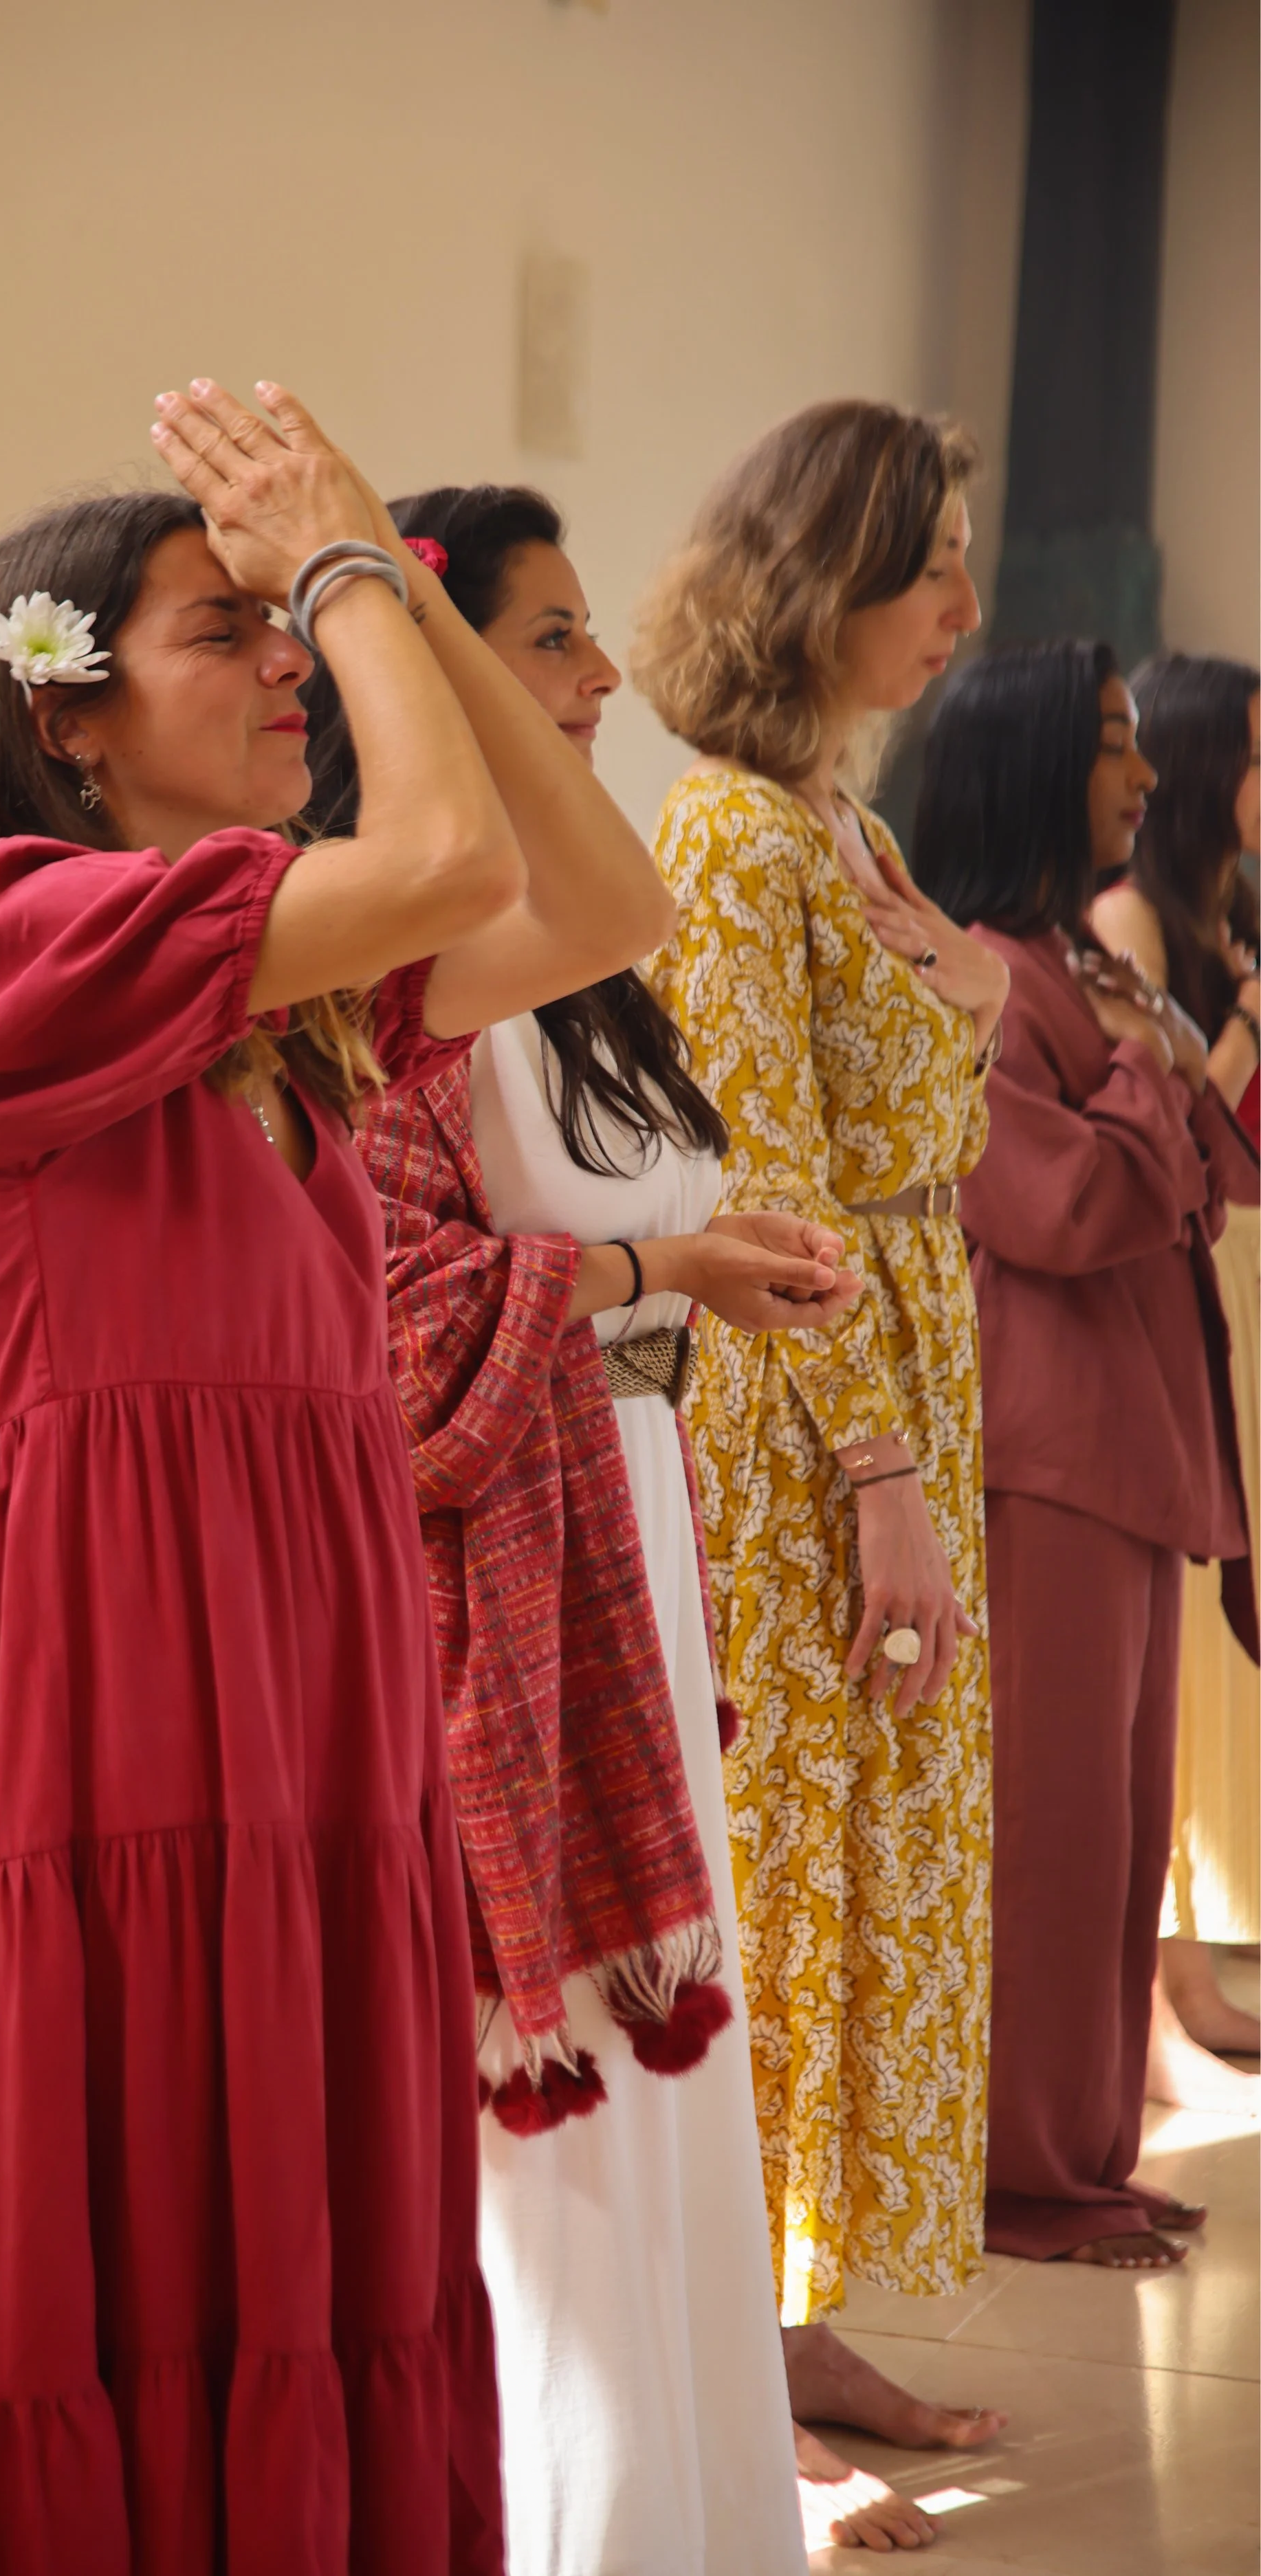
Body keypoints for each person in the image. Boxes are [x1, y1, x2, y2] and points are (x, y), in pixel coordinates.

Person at [0, 379, 676, 2575]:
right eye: (210, 632)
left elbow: (593, 898)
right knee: (146, 2239)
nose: (283, 670)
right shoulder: (1, 943)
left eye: (275, 629)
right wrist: (345, 564)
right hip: (131, 1723)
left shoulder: (286, 1016)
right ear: (63, 717)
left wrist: (370, 584)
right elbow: (440, 859)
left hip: (322, 1717)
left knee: (332, 2240)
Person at [305, 482, 861, 2571]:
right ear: (435, 678)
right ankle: (579, 2518)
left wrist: (689, 1267)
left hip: (622, 1523)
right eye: (546, 640)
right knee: (547, 2130)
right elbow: (406, 1309)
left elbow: (581, 1206)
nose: (603, 675)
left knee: (671, 2086)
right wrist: (660, 1281)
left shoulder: (573, 953)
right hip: (504, 1562)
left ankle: (713, 2497)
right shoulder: (380, 954)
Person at [633, 400, 1009, 2543]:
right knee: (779, 1873)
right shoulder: (725, 842)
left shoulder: (839, 830)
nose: (960, 607)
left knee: (870, 1873)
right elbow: (758, 1175)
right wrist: (875, 1470)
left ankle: (797, 2312)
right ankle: (723, 2359)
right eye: (924, 566)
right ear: (815, 581)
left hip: (899, 1388)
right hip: (800, 1436)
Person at [912, 641, 1257, 2267]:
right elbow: (1059, 1201)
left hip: (1118, 1438)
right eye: (1112, 745)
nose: (1141, 776)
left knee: (1114, 1827)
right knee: (1047, 1832)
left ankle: (1080, 2147)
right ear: (1031, 766)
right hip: (1040, 1440)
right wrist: (1146, 1061)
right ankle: (1022, 2171)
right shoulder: (974, 966)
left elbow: (1197, 1171)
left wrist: (1152, 1072)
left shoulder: (1057, 959)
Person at [1088, 656, 1261, 2102]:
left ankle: (1191, 1955)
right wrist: (1252, 1009)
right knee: (1182, 1633)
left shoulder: (1214, 907)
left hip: (1238, 1273)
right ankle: (1163, 1977)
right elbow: (1166, 1100)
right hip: (1199, 1270)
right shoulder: (1129, 913)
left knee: (1213, 1639)